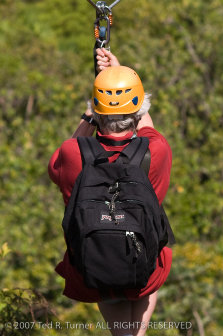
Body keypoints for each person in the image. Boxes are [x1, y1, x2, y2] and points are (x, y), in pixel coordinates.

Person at [48, 49, 173, 336]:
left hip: (92, 266)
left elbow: (55, 165)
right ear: (138, 108)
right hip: (145, 270)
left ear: (96, 109)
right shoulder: (156, 151)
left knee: (111, 288)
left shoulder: (72, 153)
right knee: (157, 246)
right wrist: (120, 73)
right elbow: (147, 127)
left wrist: (89, 116)